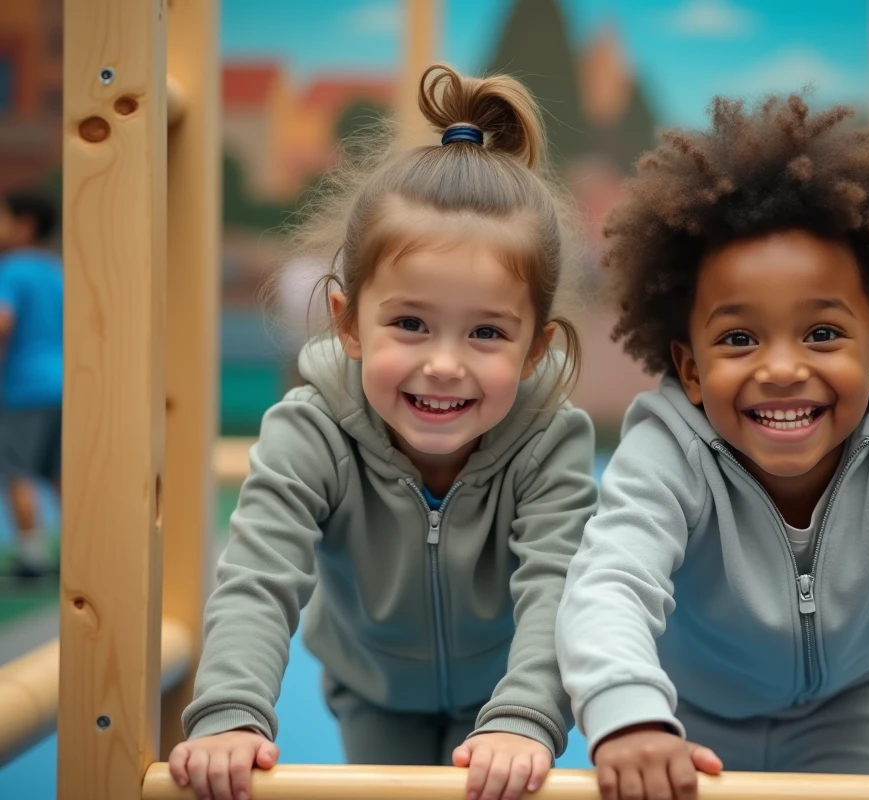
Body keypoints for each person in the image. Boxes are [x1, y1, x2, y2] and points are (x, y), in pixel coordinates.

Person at [556, 95, 869, 800]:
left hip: (861, 715)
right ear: (693, 369)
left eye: (823, 334)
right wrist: (629, 717)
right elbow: (609, 580)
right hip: (691, 725)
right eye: (739, 339)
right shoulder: (669, 449)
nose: (783, 368)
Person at [169, 64, 597, 800]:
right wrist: (231, 712)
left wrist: (524, 716)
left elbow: (556, 588)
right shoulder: (312, 430)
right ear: (348, 322)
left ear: (535, 348)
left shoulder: (549, 442)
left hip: (503, 685)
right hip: (371, 687)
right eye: (409, 323)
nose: (442, 364)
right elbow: (258, 579)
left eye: (487, 332)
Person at [0, 190, 63, 578]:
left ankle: (32, 554)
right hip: (64, 384)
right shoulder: (56, 270)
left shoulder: (12, 269)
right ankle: (80, 550)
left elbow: (4, 321)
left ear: (24, 225)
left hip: (25, 387)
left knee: (16, 470)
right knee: (60, 474)